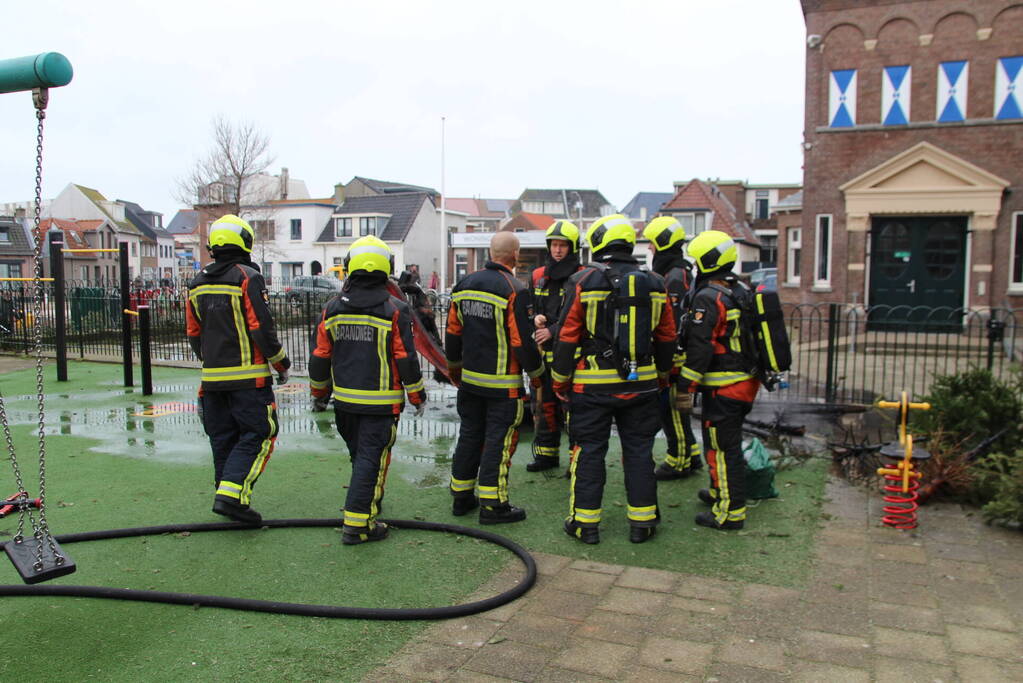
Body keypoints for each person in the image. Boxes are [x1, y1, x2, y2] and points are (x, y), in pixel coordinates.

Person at [552, 214, 676, 544]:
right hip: (643, 383)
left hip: (592, 385)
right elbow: (667, 337)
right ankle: (643, 522)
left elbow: (566, 336)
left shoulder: (583, 280)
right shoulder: (654, 282)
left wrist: (559, 381)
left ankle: (585, 524)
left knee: (589, 450)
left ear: (600, 243)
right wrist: (662, 377)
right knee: (639, 451)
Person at [308, 236, 427, 545]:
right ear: (386, 269)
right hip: (381, 406)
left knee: (360, 457)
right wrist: (417, 396)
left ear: (350, 267)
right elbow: (406, 359)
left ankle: (367, 500)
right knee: (369, 461)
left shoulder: (331, 309)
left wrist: (319, 394)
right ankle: (358, 526)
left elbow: (320, 357)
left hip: (345, 404)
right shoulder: (396, 310)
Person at [186, 214, 290, 525]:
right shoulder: (247, 277)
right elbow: (261, 328)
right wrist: (281, 364)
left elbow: (193, 333)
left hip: (212, 380)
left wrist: (211, 362)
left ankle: (226, 495)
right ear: (245, 242)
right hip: (248, 379)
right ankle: (232, 496)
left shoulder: (196, 283)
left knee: (223, 438)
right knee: (259, 433)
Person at [445, 231, 544, 524]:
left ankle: (461, 497)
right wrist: (537, 375)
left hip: (471, 382)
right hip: (503, 386)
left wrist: (454, 369)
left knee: (470, 435)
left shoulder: (464, 285)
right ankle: (493, 505)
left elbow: (452, 334)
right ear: (515, 255)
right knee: (498, 443)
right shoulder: (514, 288)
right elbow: (522, 343)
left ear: (490, 252)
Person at [678, 230, 760, 531]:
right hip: (744, 382)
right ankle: (718, 491)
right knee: (721, 444)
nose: (696, 267)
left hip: (726, 386)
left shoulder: (708, 297)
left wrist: (685, 386)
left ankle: (730, 511)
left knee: (724, 447)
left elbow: (701, 348)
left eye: (699, 261)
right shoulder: (738, 289)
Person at [642, 216, 703, 481]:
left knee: (673, 410)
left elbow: (674, 322)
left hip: (676, 358)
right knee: (679, 409)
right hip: (679, 355)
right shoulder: (678, 271)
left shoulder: (674, 276)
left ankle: (678, 460)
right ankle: (692, 452)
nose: (649, 250)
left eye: (652, 244)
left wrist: (667, 360)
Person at [526, 220, 584, 472]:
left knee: (572, 410)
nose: (557, 250)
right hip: (542, 354)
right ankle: (545, 455)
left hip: (570, 355)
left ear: (572, 248)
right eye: (554, 245)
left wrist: (552, 330)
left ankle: (576, 462)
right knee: (543, 405)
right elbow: (529, 308)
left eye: (563, 245)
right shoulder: (538, 276)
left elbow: (580, 318)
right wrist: (534, 319)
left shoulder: (582, 276)